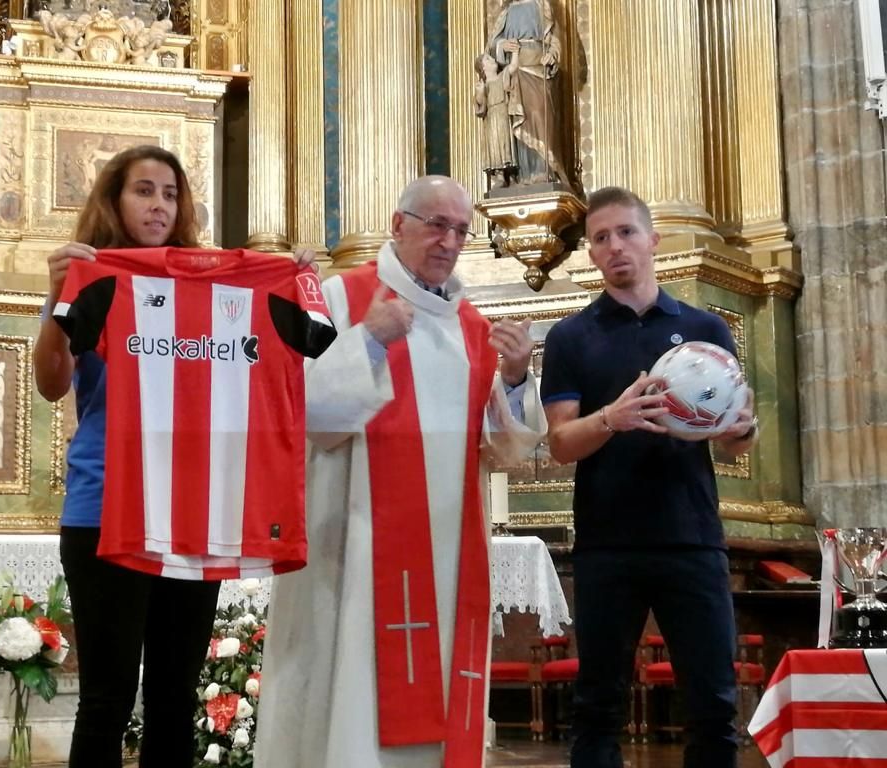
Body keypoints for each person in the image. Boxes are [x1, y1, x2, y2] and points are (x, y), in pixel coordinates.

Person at [255, 175, 546, 768]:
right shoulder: (342, 298)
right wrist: (367, 341)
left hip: (445, 555)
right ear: (398, 225)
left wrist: (516, 380)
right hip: (351, 540)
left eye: (461, 230)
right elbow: (299, 409)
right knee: (348, 681)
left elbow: (502, 447)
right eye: (436, 225)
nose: (449, 241)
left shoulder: (473, 328)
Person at [539, 186, 757, 768]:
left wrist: (743, 424)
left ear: (652, 239)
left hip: (692, 538)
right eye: (601, 238)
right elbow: (561, 445)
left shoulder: (705, 329)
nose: (615, 247)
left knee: (712, 706)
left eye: (626, 232)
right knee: (597, 707)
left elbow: (736, 444)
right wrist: (613, 417)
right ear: (591, 253)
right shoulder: (569, 338)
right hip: (608, 544)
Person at [32, 145, 218, 768]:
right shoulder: (88, 280)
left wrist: (298, 274)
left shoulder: (208, 284)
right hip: (105, 504)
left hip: (191, 507)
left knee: (174, 696)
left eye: (170, 193)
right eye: (144, 191)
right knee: (107, 697)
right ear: (113, 200)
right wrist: (57, 302)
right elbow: (53, 383)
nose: (159, 205)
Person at [486, 0, 569, 187]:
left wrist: (553, 55)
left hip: (538, 70)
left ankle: (544, 170)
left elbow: (554, 39)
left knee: (540, 114)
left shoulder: (542, 6)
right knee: (518, 120)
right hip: (515, 72)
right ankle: (524, 175)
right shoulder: (507, 11)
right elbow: (491, 47)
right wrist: (502, 46)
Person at [474, 52, 519, 189]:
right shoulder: (483, 85)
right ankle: (500, 175)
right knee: (495, 146)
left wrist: (515, 51)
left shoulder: (502, 76)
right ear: (483, 68)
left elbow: (513, 67)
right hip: (492, 119)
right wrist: (481, 92)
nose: (493, 59)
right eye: (488, 59)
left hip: (504, 114)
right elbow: (480, 107)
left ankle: (511, 175)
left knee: (507, 143)